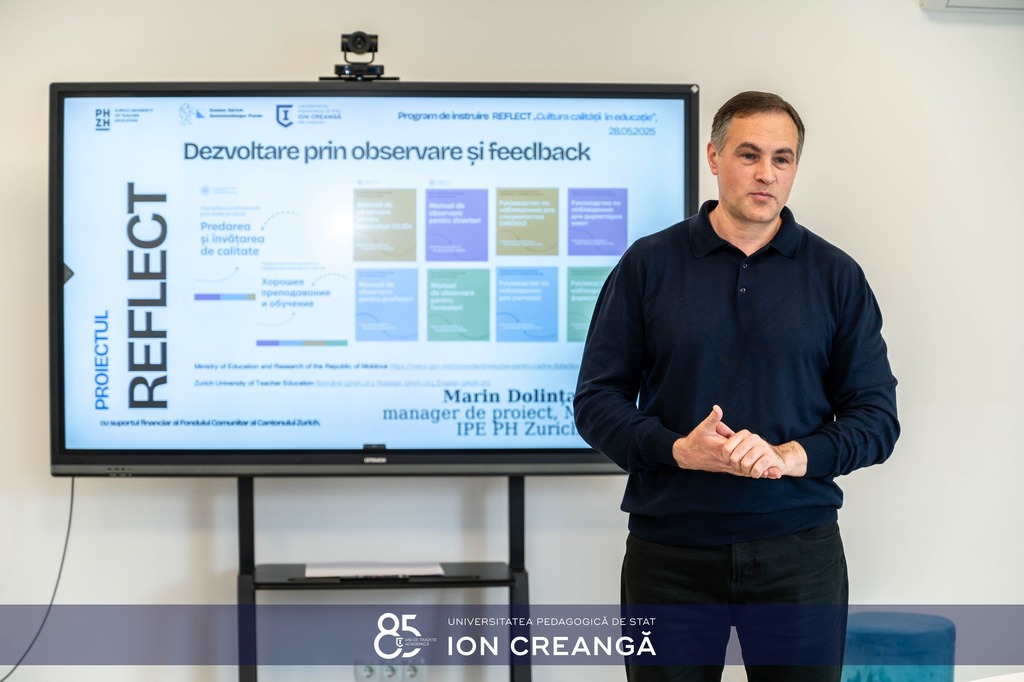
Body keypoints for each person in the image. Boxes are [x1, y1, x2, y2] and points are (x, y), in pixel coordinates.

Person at [573, 91, 900, 682]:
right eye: (749, 155)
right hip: (669, 555)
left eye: (782, 158)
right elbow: (597, 400)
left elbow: (876, 419)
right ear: (714, 157)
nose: (766, 173)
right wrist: (677, 449)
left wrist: (791, 455)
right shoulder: (648, 264)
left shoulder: (836, 276)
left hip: (798, 552)